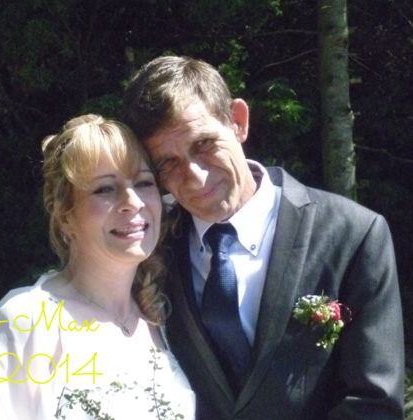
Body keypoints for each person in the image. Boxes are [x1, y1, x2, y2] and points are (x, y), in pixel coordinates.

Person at [122, 55, 405, 419]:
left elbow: (374, 404)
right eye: (168, 163)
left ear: (238, 121)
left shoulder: (353, 234)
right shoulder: (147, 243)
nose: (195, 176)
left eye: (204, 143)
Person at [0, 114, 195, 419]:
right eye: (105, 189)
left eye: (143, 183)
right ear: (65, 216)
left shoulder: (162, 317)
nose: (133, 201)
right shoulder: (25, 322)